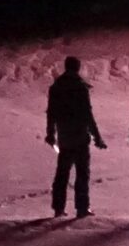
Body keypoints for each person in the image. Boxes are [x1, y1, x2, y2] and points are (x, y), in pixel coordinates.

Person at [44, 56, 107, 217]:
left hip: (65, 137)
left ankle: (58, 208)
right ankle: (82, 207)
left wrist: (51, 133)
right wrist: (97, 137)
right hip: (79, 137)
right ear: (77, 68)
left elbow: (51, 113)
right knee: (82, 173)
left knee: (62, 174)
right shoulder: (80, 87)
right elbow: (87, 114)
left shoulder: (56, 87)